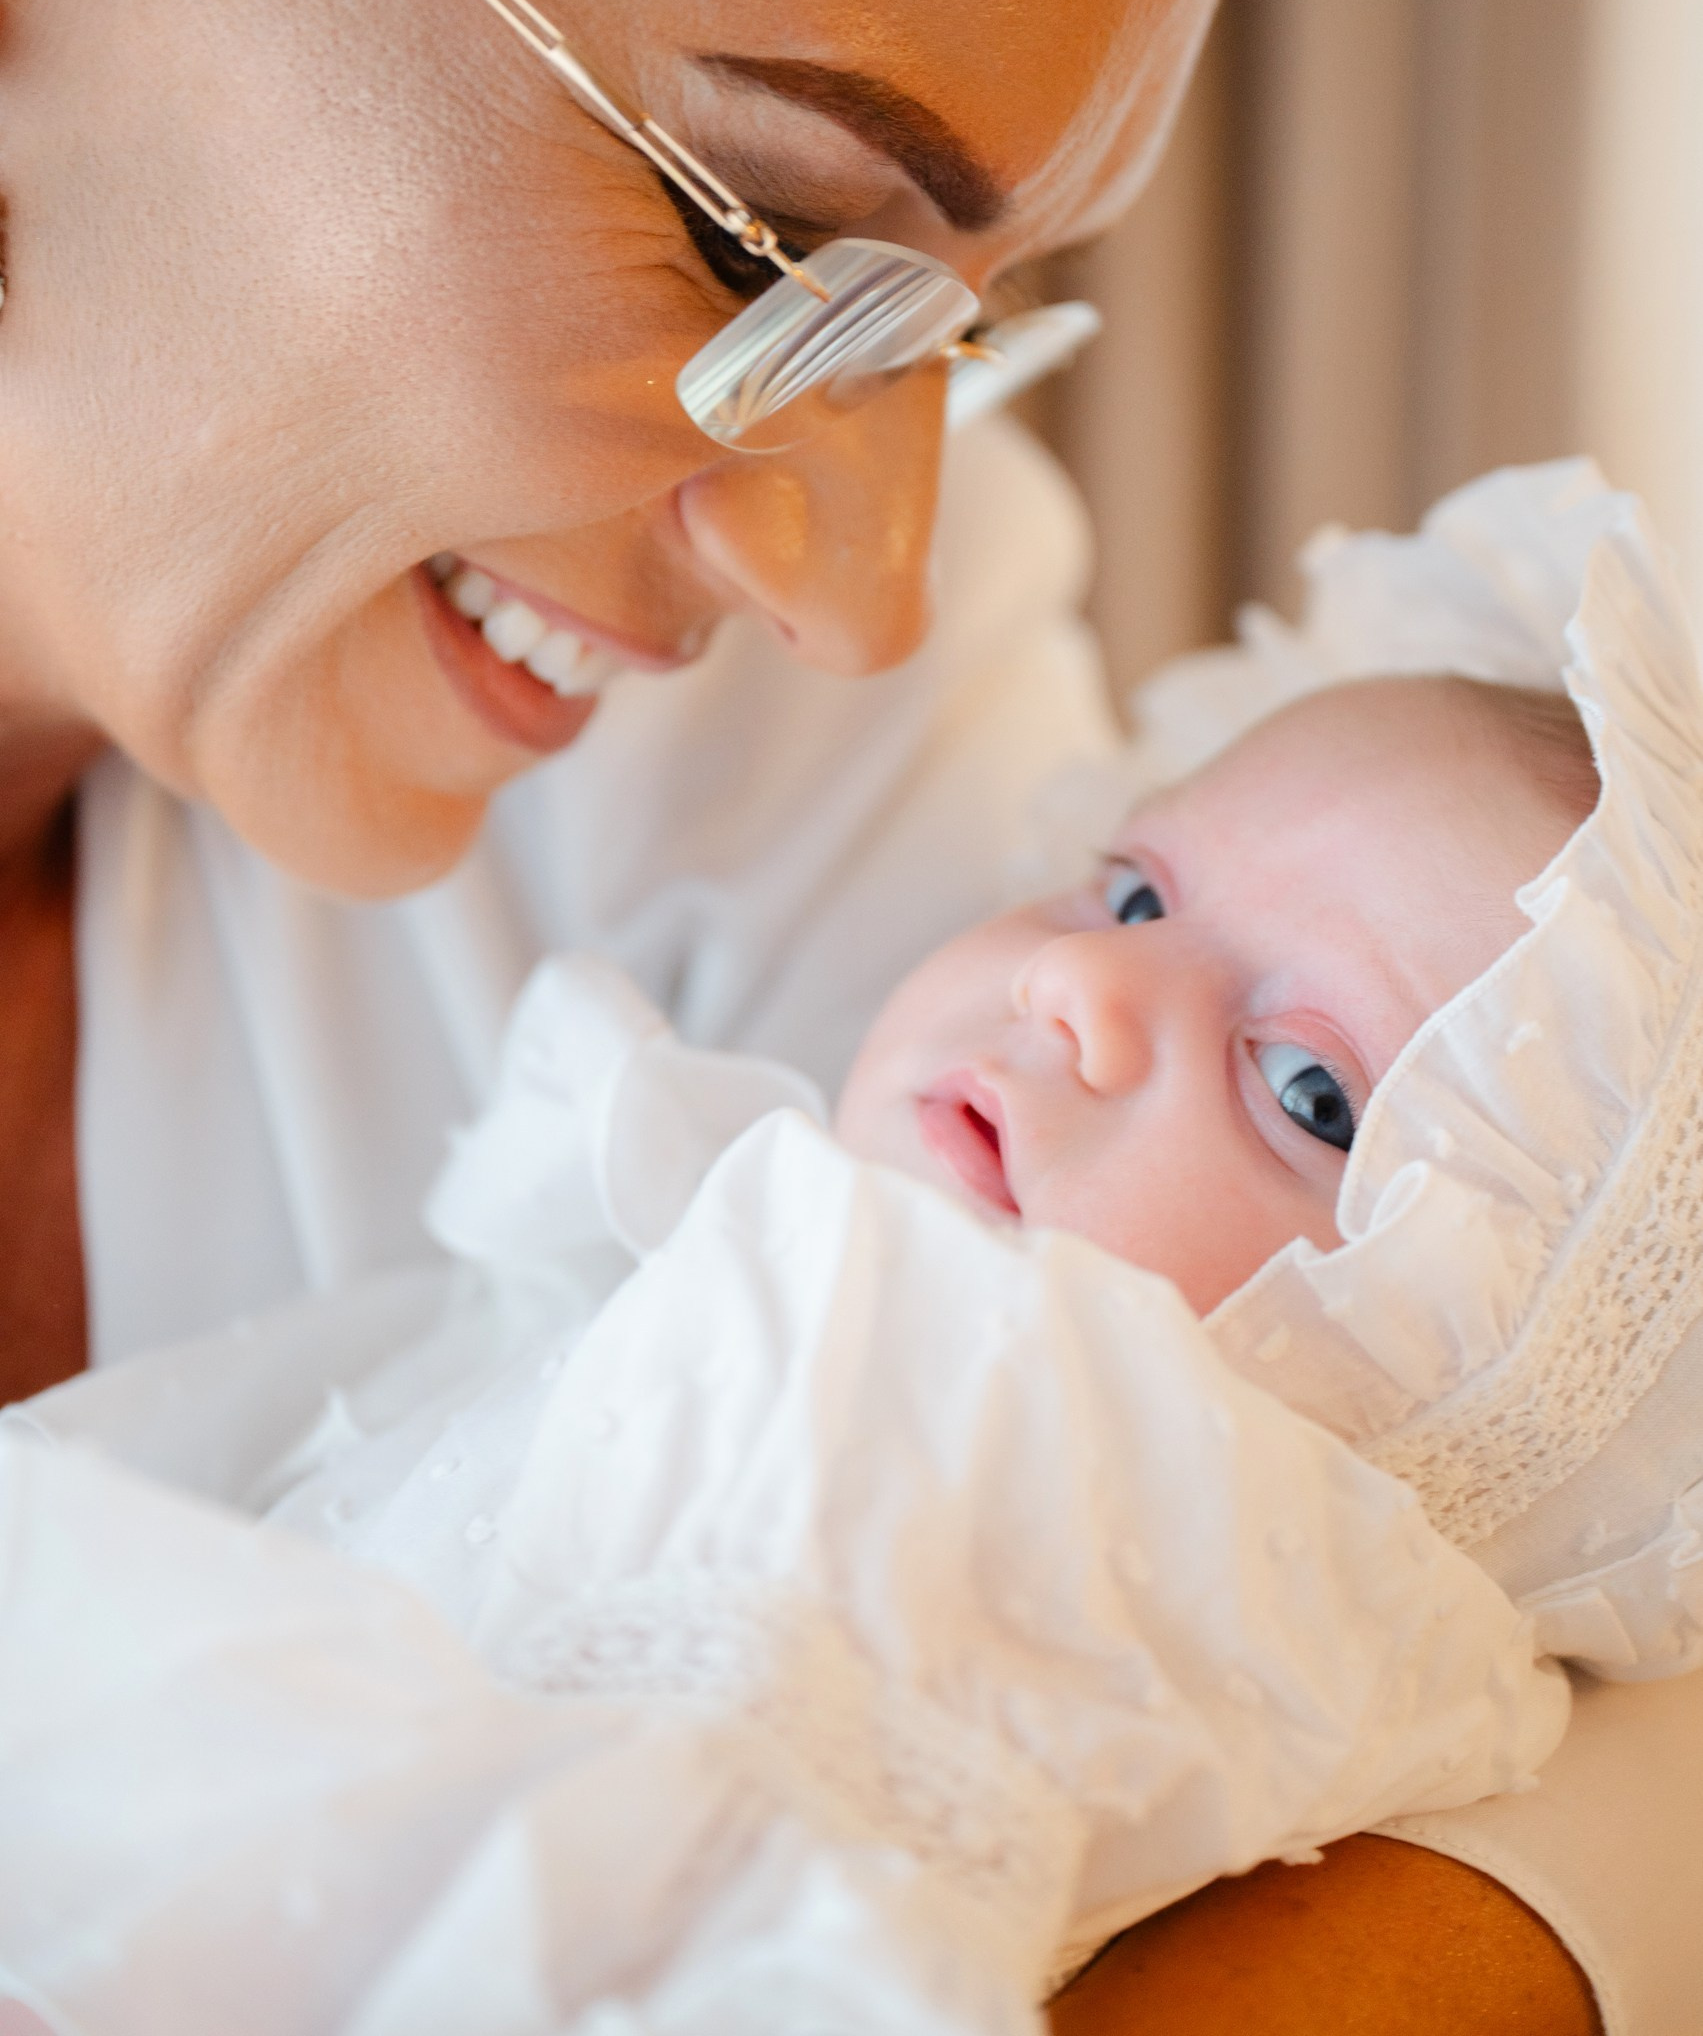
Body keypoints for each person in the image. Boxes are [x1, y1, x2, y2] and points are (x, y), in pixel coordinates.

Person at [0, 0, 1656, 2021]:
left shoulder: (768, 758)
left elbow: (1563, 1522)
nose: (854, 583)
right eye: (760, 239)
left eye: (949, 329)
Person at [6, 462, 1697, 2031]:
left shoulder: (1017, 1514)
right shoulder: (764, 1270)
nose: (1081, 984)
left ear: (1508, 1418)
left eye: (1309, 1089)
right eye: (1133, 895)